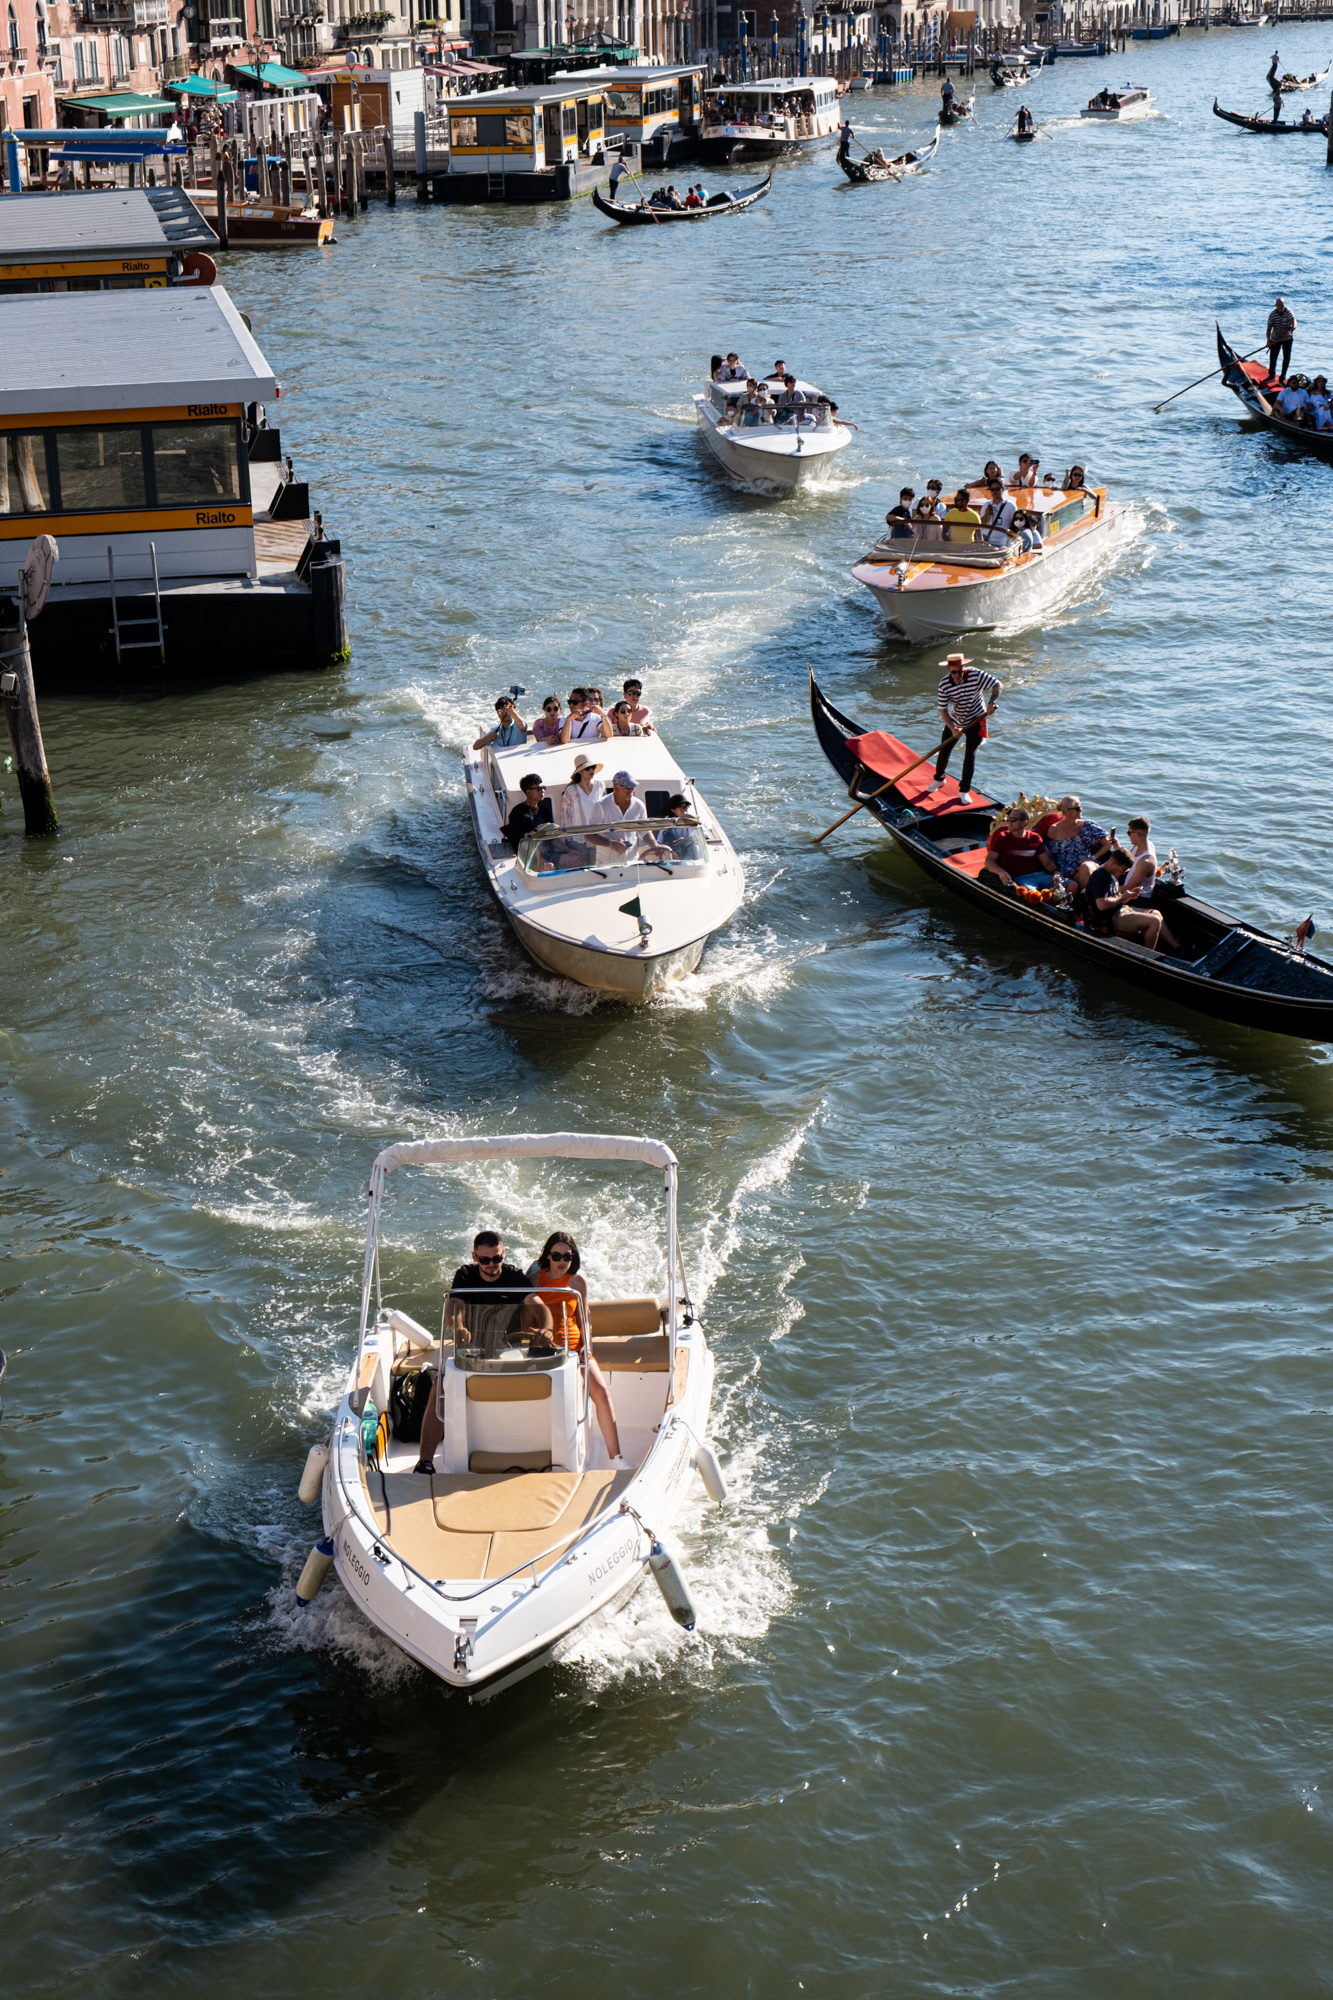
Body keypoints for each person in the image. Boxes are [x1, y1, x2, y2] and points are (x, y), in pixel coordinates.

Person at [412, 1231, 553, 1473]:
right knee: (439, 1387)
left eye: (496, 1259)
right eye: (485, 1260)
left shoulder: (514, 1276)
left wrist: (547, 1328)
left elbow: (540, 1308)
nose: (491, 1265)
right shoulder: (465, 1275)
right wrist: (458, 1326)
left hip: (510, 1350)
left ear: (503, 1254)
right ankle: (425, 1461)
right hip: (472, 1350)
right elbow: (455, 1306)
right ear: (475, 1256)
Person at [526, 1231, 625, 1465]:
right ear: (547, 1256)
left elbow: (584, 1319)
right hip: (546, 1349)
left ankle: (616, 1457)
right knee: (569, 1390)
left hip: (576, 1346)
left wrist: (587, 1346)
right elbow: (528, 1321)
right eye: (557, 1256)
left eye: (567, 1257)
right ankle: (562, 1457)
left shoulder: (577, 1281)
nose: (562, 1262)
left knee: (600, 1390)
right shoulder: (534, 1281)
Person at [934, 653, 1002, 803]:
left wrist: (991, 702)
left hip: (977, 719)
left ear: (964, 668)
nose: (958, 675)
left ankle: (964, 790)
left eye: (960, 671)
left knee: (970, 754)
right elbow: (943, 710)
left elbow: (997, 685)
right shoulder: (944, 684)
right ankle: (939, 779)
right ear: (949, 670)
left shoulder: (975, 675)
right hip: (955, 720)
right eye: (954, 672)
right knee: (944, 749)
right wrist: (953, 728)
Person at [1084, 848, 1170, 950]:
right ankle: (1148, 957)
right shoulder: (1101, 877)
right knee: (1154, 921)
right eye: (1123, 870)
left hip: (1119, 910)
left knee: (1156, 913)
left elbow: (1116, 899)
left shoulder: (1112, 874)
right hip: (1110, 918)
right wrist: (1123, 897)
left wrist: (1128, 896)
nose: (1123, 874)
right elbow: (1102, 905)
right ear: (1113, 863)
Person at [1123, 814, 1180, 949]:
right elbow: (1128, 861)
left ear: (1138, 834)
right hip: (1131, 891)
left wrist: (1109, 890)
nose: (1128, 836)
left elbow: (1130, 887)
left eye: (1129, 833)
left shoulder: (1145, 861)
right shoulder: (1138, 846)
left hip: (1137, 897)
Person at [1033, 794, 1113, 890]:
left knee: (1085, 867)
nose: (1081, 810)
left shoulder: (1087, 826)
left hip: (1089, 864)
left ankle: (1089, 899)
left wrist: (1092, 858)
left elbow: (1108, 844)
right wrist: (1056, 870)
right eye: (1078, 808)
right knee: (1084, 870)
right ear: (1068, 811)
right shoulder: (1054, 830)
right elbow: (1051, 854)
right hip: (1066, 871)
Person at [983, 805, 1055, 888]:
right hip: (1021, 878)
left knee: (1072, 885)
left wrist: (1056, 871)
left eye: (1013, 820)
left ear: (1025, 822)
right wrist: (1001, 872)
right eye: (1009, 819)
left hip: (1040, 875)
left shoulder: (1035, 838)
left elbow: (1046, 862)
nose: (1009, 822)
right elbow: (988, 861)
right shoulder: (1002, 837)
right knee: (1032, 896)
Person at [506, 773, 553, 849]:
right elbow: (520, 842)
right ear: (528, 792)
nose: (543, 791)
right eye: (539, 789)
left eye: (543, 787)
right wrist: (540, 858)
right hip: (528, 855)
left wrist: (568, 850)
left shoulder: (544, 811)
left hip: (546, 852)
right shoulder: (517, 813)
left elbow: (553, 837)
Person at [559, 752, 605, 827]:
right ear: (580, 771)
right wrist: (567, 836)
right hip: (579, 835)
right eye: (587, 768)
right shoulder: (571, 790)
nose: (591, 770)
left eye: (593, 767)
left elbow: (606, 808)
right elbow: (565, 816)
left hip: (599, 833)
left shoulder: (600, 785)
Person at [1267, 296, 1296, 382]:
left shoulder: (1288, 312)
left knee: (1286, 358)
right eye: (1279, 305)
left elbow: (1294, 324)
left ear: (1284, 305)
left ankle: (1282, 377)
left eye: (1282, 305)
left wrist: (1290, 331)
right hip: (1275, 339)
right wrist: (1269, 341)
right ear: (1276, 305)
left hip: (1287, 339)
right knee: (1273, 358)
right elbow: (1269, 329)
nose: (1280, 307)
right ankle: (1271, 376)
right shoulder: (1272, 314)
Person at [981, 478, 1017, 546]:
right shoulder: (986, 505)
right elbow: (981, 524)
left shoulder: (1011, 506)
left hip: (1000, 544)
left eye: (997, 489)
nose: (995, 492)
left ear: (1002, 489)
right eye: (992, 490)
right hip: (984, 541)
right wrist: (986, 514)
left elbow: (1015, 526)